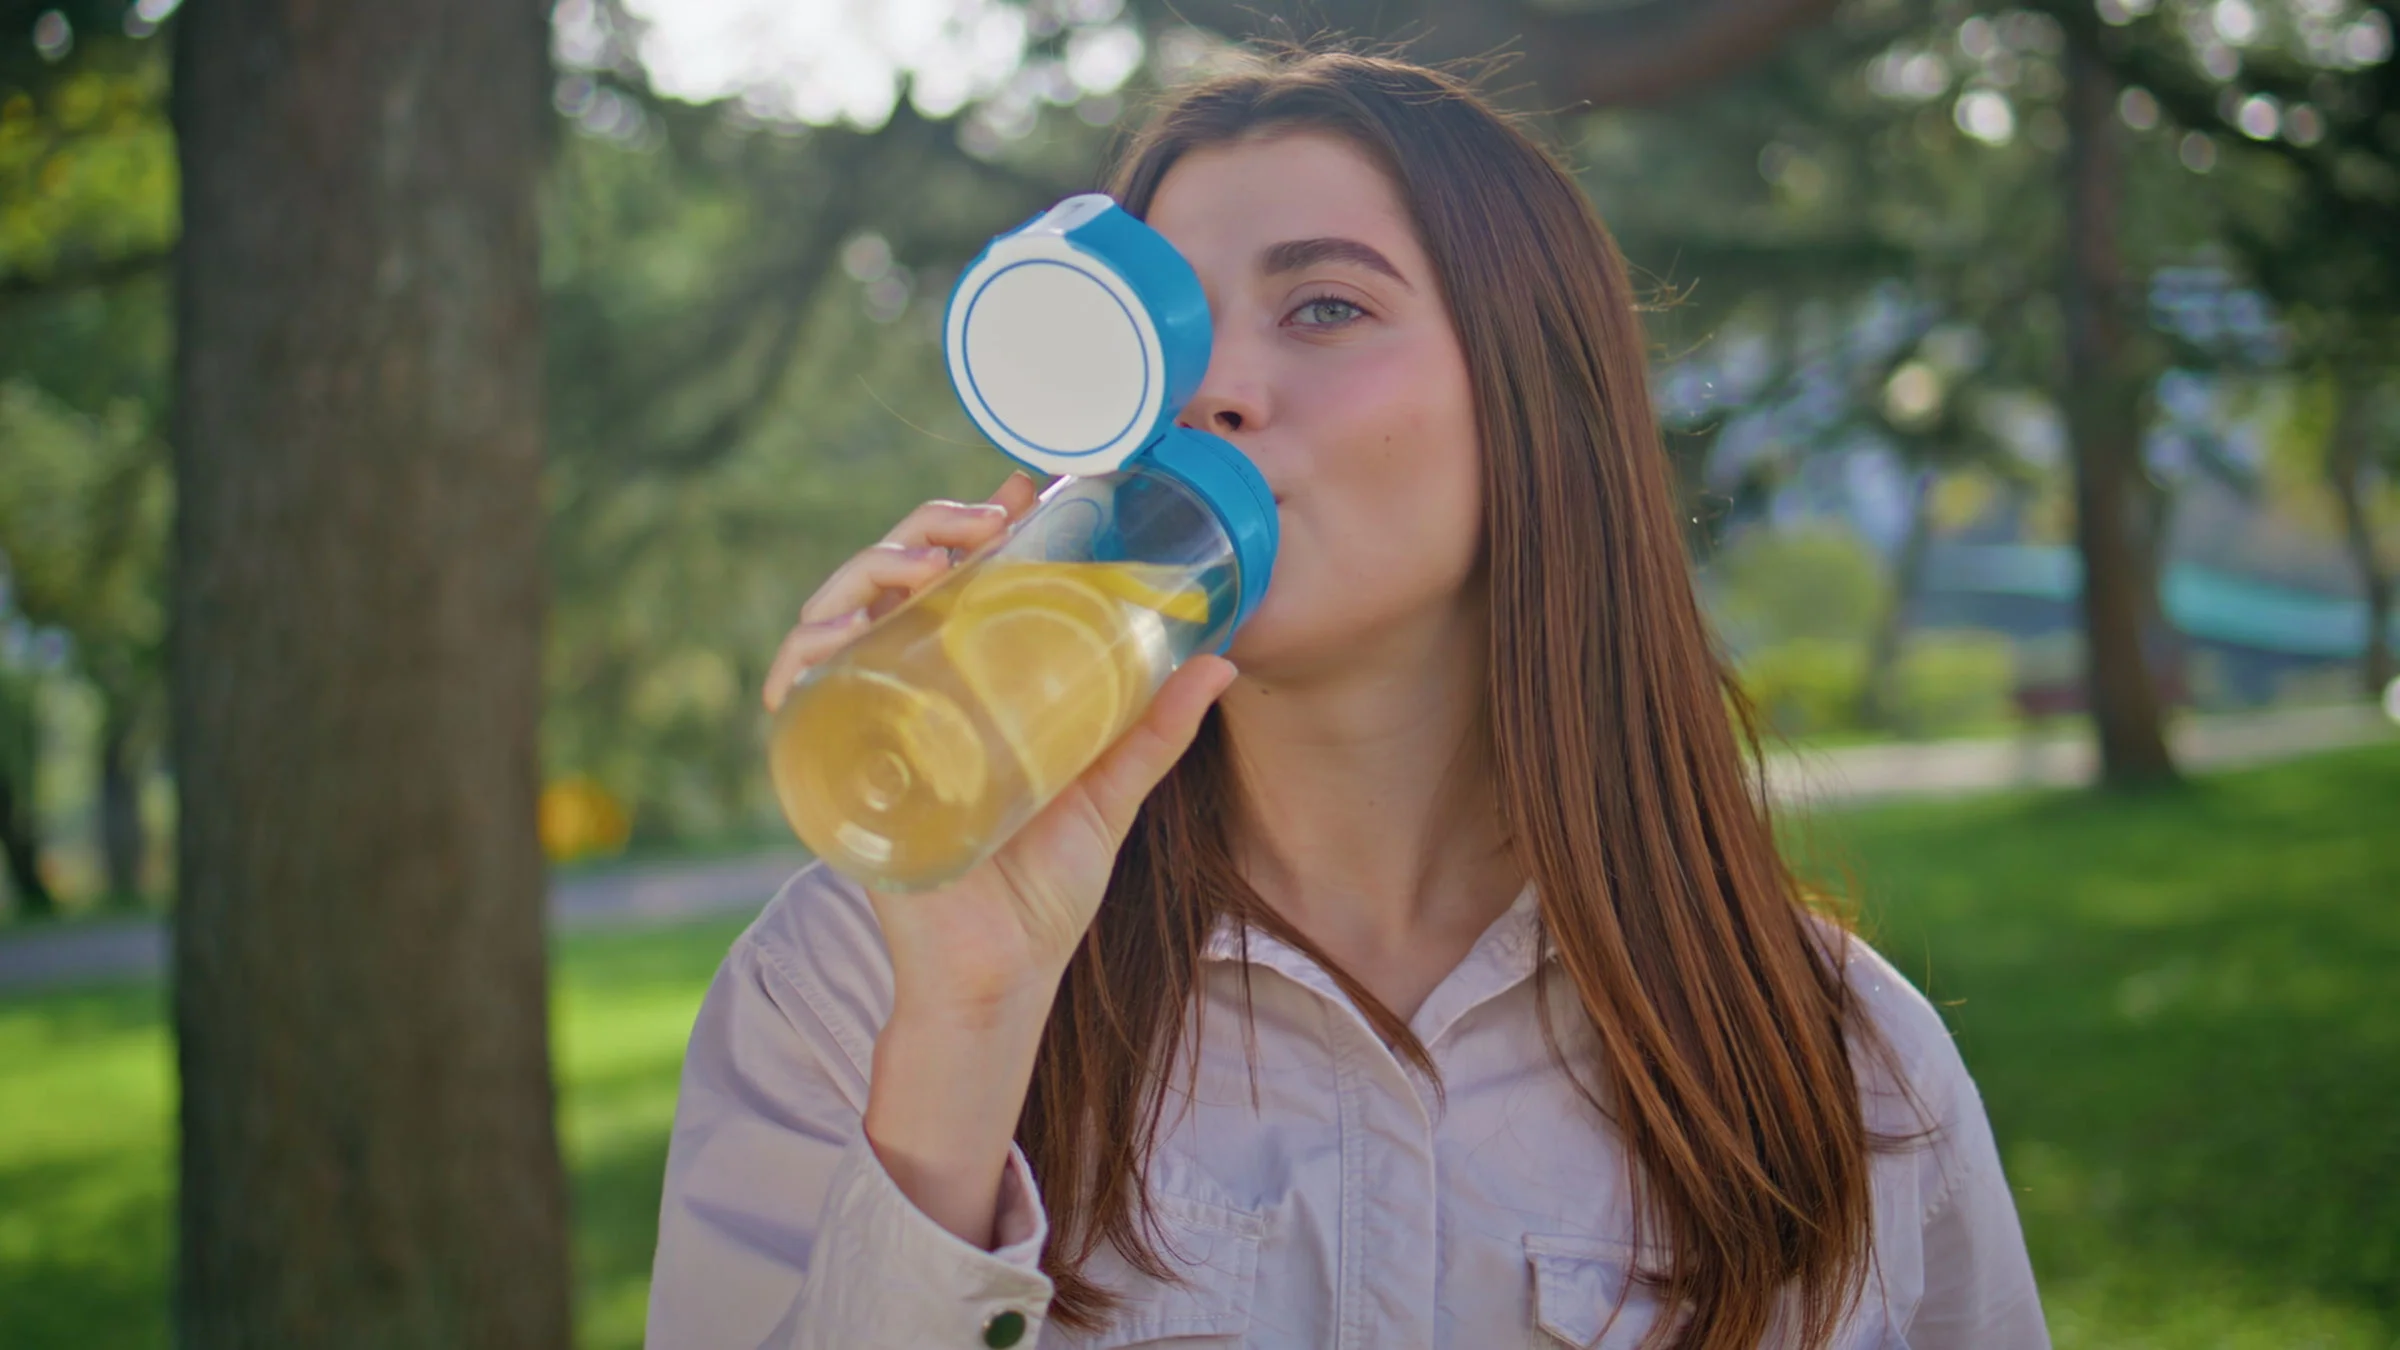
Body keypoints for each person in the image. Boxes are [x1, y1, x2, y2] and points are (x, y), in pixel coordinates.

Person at [646, 47, 2048, 1350]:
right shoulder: (848, 985)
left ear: (1532, 403)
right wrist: (961, 1026)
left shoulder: (1833, 1061)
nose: (1217, 392)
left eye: (1326, 305)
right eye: (1162, 331)